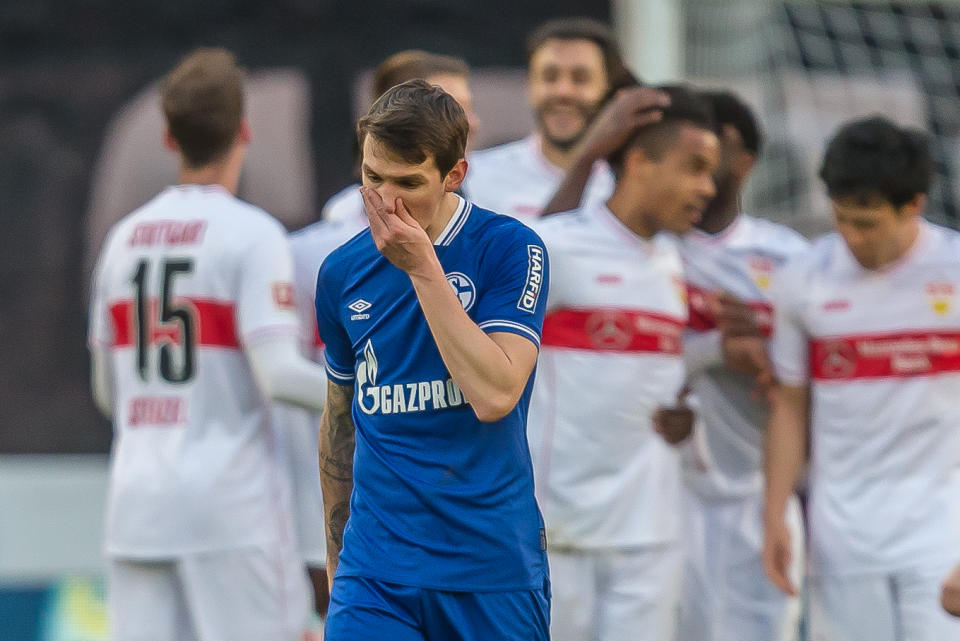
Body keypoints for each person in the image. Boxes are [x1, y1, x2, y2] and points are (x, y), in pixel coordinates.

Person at [87, 48, 329, 641]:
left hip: (137, 506)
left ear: (168, 136)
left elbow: (108, 393)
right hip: (231, 511)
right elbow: (278, 376)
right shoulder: (251, 235)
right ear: (244, 129)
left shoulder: (122, 240)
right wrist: (376, 391)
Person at [315, 79, 551, 640]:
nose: (386, 201)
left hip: (489, 569)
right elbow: (339, 421)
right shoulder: (341, 272)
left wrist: (423, 267)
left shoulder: (510, 249)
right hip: (375, 574)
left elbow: (496, 394)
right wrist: (337, 557)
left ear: (454, 176)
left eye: (408, 183)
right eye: (373, 178)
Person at [526, 85, 719, 641]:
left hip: (651, 536)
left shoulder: (677, 264)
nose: (707, 187)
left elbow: (656, 369)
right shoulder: (557, 244)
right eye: (694, 168)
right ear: (638, 162)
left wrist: (687, 409)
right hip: (556, 534)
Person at [763, 116, 960, 641]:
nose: (851, 236)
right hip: (842, 536)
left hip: (942, 534)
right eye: (842, 219)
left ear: (913, 205)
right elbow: (789, 404)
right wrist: (776, 513)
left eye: (867, 223)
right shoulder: (802, 278)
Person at [675, 91, 808, 641]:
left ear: (745, 161)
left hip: (759, 493)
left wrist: (768, 352)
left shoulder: (790, 258)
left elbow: (816, 383)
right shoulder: (649, 248)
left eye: (717, 143)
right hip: (667, 492)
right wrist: (714, 349)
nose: (701, 158)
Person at [464, 17, 661, 219]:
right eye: (550, 77)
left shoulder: (631, 185)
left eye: (580, 78)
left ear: (609, 89)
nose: (563, 91)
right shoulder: (474, 177)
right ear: (529, 85)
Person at [322, 50, 479, 225]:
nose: (471, 123)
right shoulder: (344, 219)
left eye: (468, 108)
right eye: (450, 110)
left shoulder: (502, 200)